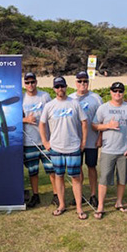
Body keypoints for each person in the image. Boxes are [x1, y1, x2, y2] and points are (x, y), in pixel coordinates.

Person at [39, 76, 88, 219]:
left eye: (62, 86)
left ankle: (79, 208)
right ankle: (61, 205)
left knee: (75, 177)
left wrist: (83, 142)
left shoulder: (75, 103)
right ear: (54, 89)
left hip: (73, 147)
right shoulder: (49, 106)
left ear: (66, 87)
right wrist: (45, 142)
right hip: (56, 147)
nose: (60, 89)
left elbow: (84, 122)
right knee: (59, 176)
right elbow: (42, 124)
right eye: (57, 87)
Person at [92, 82, 127, 219]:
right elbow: (94, 125)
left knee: (122, 178)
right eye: (115, 91)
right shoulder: (103, 108)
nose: (117, 93)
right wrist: (108, 126)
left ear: (123, 92)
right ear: (110, 92)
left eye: (120, 91)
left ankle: (119, 202)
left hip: (124, 150)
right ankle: (100, 205)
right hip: (108, 150)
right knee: (104, 178)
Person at [22, 72, 57, 208]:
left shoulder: (44, 96)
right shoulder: (22, 98)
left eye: (32, 82)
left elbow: (52, 114)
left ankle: (56, 195)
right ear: (24, 84)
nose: (30, 85)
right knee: (33, 171)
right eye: (27, 82)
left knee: (51, 169)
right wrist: (26, 119)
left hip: (45, 140)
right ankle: (35, 195)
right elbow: (14, 118)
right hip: (29, 140)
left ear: (36, 82)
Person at [68, 71, 103, 208]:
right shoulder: (70, 98)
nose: (82, 84)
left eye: (85, 81)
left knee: (91, 167)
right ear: (75, 83)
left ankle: (93, 195)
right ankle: (79, 195)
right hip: (75, 140)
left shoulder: (96, 98)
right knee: (77, 168)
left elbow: (102, 119)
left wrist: (100, 137)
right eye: (80, 81)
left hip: (91, 140)